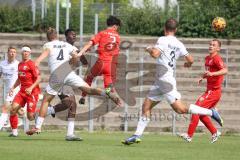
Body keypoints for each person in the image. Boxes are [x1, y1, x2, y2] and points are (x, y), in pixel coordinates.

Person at [122, 18, 223, 145]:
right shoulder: (179, 43)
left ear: (165, 29)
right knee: (146, 106)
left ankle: (211, 112)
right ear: (176, 30)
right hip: (160, 81)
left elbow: (155, 54)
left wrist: (148, 48)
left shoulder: (162, 39)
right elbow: (190, 59)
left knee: (180, 109)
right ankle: (137, 135)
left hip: (165, 80)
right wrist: (187, 63)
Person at [26, 27, 121, 136]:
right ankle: (107, 93)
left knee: (46, 100)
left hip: (57, 74)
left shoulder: (48, 45)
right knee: (88, 90)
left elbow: (39, 59)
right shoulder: (67, 45)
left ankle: (38, 127)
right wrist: (72, 61)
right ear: (58, 36)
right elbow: (77, 57)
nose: (74, 36)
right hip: (67, 71)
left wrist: (36, 65)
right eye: (72, 34)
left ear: (48, 38)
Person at [178, 39, 227, 143]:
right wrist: (203, 77)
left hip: (214, 92)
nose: (211, 46)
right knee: (201, 114)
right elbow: (209, 72)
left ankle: (189, 135)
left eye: (214, 45)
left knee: (195, 109)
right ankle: (214, 132)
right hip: (209, 91)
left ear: (218, 48)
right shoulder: (207, 58)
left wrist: (212, 74)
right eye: (210, 44)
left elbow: (225, 70)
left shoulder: (217, 59)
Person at [47, 28, 83, 141]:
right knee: (71, 103)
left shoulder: (72, 48)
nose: (74, 36)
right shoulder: (64, 46)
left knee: (71, 104)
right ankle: (69, 134)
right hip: (60, 76)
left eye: (75, 34)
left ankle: (50, 110)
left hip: (65, 77)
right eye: (72, 34)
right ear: (66, 36)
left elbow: (82, 61)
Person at [78, 15, 121, 104]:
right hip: (110, 66)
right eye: (117, 27)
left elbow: (90, 43)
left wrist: (81, 52)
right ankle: (112, 95)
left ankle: (83, 96)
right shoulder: (117, 37)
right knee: (108, 87)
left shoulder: (102, 33)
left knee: (88, 77)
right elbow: (111, 49)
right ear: (114, 26)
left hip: (101, 63)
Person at [8, 45, 41, 137]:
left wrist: (31, 88)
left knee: (30, 117)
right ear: (21, 53)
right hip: (22, 92)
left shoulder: (32, 64)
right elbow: (19, 79)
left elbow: (39, 79)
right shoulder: (20, 64)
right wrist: (12, 88)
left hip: (32, 93)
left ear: (29, 53)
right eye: (24, 51)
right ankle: (14, 132)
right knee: (13, 109)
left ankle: (42, 112)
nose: (25, 53)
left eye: (27, 51)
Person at [0, 47, 20, 130]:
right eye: (11, 52)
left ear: (16, 54)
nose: (12, 53)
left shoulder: (18, 64)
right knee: (16, 111)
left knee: (5, 109)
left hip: (15, 89)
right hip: (6, 89)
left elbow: (21, 78)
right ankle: (15, 131)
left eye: (14, 52)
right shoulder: (2, 64)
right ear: (7, 53)